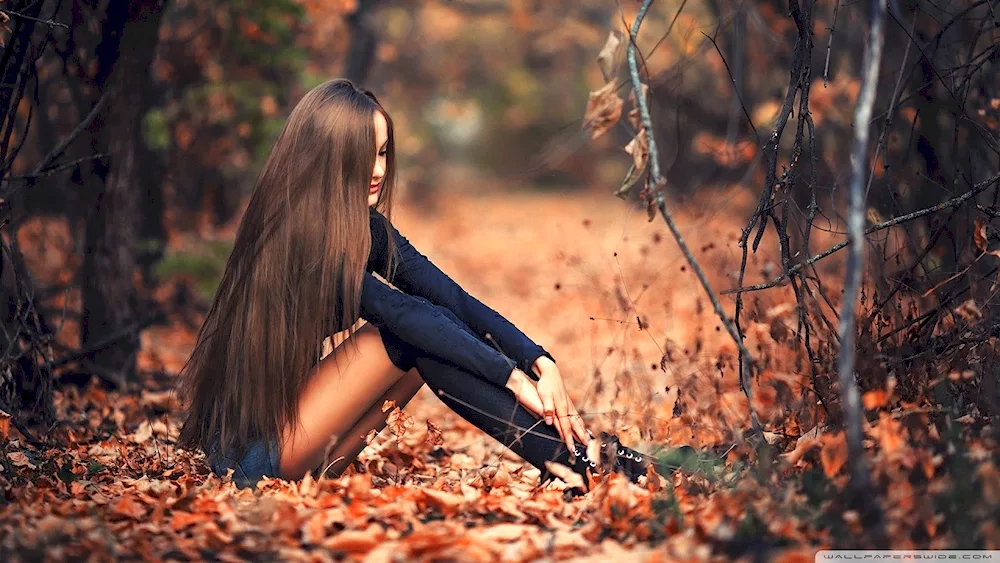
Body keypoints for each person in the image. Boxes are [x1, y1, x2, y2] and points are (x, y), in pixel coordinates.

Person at [175, 79, 649, 492]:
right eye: (363, 155)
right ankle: (576, 461)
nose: (378, 169)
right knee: (408, 331)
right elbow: (402, 315)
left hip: (298, 442)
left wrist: (539, 360)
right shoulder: (301, 237)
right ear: (328, 157)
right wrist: (511, 378)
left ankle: (577, 461)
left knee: (432, 329)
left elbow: (452, 298)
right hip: (250, 456)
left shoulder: (361, 228)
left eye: (383, 152)